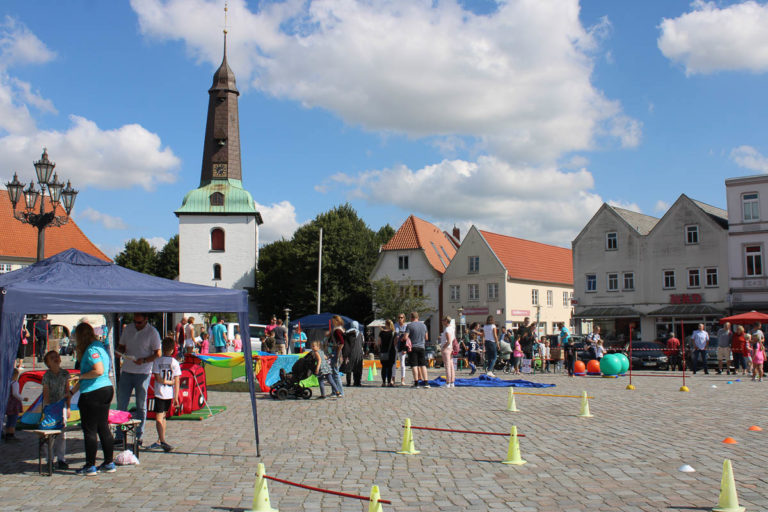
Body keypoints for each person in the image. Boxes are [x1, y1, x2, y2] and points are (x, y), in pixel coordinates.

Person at [71, 322, 115, 475]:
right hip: (106, 388)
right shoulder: (100, 346)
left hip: (93, 392)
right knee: (103, 427)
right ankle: (109, 462)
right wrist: (72, 391)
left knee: (89, 429)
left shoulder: (91, 350)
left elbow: (98, 370)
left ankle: (90, 465)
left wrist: (81, 376)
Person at [116, 313, 162, 444]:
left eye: (139, 322)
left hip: (143, 372)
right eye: (135, 322)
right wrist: (119, 352)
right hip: (127, 370)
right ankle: (120, 434)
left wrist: (145, 360)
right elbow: (122, 345)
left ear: (146, 320)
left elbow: (158, 353)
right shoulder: (128, 329)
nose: (137, 325)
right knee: (121, 404)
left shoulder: (152, 332)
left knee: (141, 405)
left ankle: (138, 435)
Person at [149, 337, 181, 452]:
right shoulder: (175, 363)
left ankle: (161, 440)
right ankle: (161, 439)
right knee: (163, 416)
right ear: (173, 350)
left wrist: (166, 382)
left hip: (160, 392)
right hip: (169, 393)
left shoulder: (157, 361)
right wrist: (176, 396)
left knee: (159, 417)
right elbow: (177, 381)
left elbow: (158, 378)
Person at [42, 351, 71, 468]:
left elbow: (68, 391)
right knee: (49, 434)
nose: (56, 358)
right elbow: (46, 392)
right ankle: (49, 459)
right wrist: (48, 407)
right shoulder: (46, 376)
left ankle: (61, 458)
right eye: (52, 357)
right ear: (48, 363)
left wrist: (68, 407)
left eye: (57, 356)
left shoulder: (65, 374)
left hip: (61, 406)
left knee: (62, 435)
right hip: (50, 407)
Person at [404, 311, 429, 387]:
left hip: (413, 347)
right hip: (421, 347)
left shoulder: (409, 326)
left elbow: (405, 337)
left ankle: (416, 383)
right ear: (418, 317)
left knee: (414, 365)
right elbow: (426, 338)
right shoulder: (424, 325)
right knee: (423, 365)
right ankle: (426, 382)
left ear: (411, 317)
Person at [2, 368, 23, 443]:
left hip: (8, 403)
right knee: (13, 420)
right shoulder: (15, 383)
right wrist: (22, 398)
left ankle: (7, 434)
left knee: (9, 419)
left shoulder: (7, 383)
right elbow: (15, 393)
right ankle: (11, 435)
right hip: (14, 404)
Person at [329, 316, 345, 397]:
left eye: (333, 321)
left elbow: (341, 343)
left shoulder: (337, 330)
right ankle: (335, 391)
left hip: (336, 352)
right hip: (337, 352)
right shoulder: (341, 329)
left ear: (336, 321)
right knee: (334, 372)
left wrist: (337, 354)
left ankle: (339, 391)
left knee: (335, 372)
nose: (332, 322)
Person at [439, 316, 456, 388]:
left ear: (446, 321)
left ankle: (448, 382)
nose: (442, 322)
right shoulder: (452, 328)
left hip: (446, 349)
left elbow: (448, 340)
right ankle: (452, 382)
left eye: (443, 320)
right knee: (451, 365)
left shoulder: (447, 329)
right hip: (450, 348)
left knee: (447, 366)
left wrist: (443, 347)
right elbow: (452, 339)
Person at [378, 319, 396, 387]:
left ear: (386, 324)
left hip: (383, 351)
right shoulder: (393, 333)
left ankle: (383, 382)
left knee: (384, 367)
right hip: (391, 351)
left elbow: (379, 342)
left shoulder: (381, 333)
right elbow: (395, 343)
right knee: (390, 367)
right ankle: (389, 382)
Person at [394, 313, 409, 386]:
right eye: (399, 317)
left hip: (402, 347)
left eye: (401, 317)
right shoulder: (395, 325)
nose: (400, 319)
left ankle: (402, 379)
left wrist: (405, 348)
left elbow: (407, 338)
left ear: (404, 319)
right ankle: (393, 379)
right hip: (395, 345)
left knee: (402, 363)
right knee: (393, 363)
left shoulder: (406, 326)